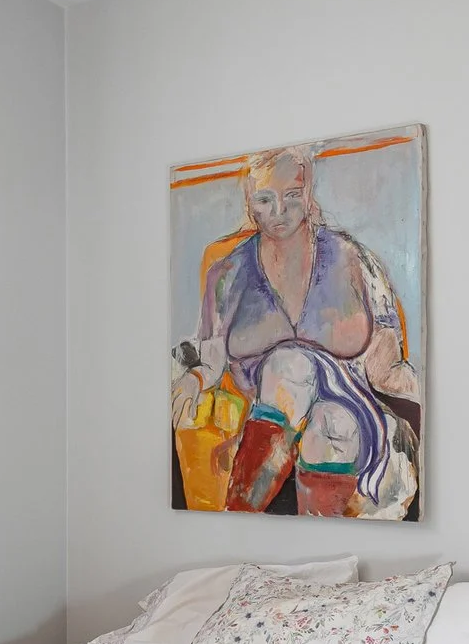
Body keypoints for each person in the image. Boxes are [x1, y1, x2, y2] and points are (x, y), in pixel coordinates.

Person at [171, 144, 418, 518]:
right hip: (273, 395)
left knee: (331, 423)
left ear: (308, 193)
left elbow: (385, 358)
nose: (280, 212)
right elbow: (212, 354)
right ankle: (243, 518)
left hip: (347, 395)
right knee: (294, 371)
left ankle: (288, 539)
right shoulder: (227, 273)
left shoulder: (351, 258)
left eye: (291, 196)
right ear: (250, 203)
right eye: (266, 200)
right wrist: (193, 378)